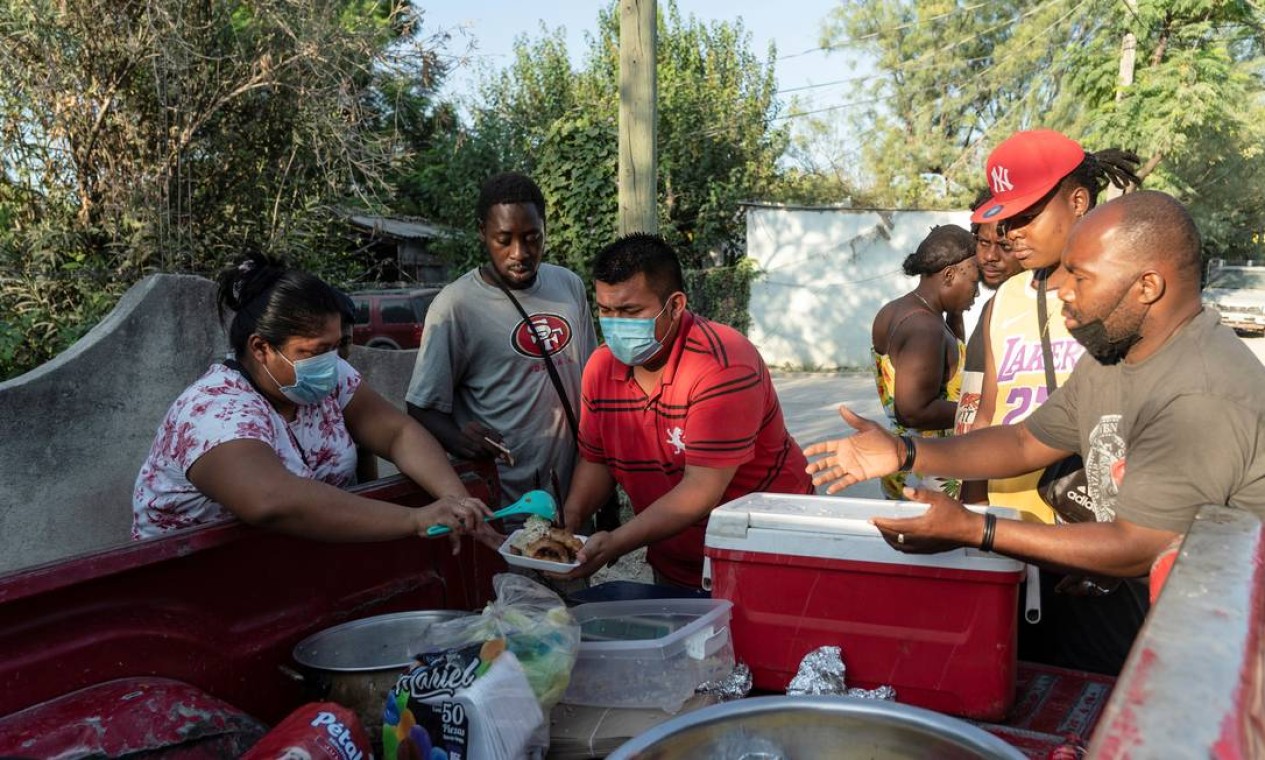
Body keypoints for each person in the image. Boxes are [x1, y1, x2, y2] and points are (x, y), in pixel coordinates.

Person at [804, 191, 1265, 673]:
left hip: (1211, 649)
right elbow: (1024, 441)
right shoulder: (1114, 355)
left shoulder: (1202, 391)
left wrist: (974, 529)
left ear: (1147, 285)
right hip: (1140, 606)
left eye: (1081, 277)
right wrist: (905, 452)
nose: (1063, 290)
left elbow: (1138, 545)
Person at [133, 254, 498, 549]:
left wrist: (456, 501)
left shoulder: (329, 379)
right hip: (191, 585)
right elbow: (270, 499)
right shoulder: (214, 410)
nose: (332, 361)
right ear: (261, 348)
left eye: (335, 346)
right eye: (315, 351)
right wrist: (414, 519)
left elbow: (396, 433)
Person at [560, 233, 814, 589]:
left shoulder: (722, 364)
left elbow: (701, 490)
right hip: (675, 559)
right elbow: (596, 460)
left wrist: (615, 542)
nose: (616, 324)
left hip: (765, 555)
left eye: (631, 311)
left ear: (676, 305)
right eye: (606, 310)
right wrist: (568, 525)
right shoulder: (601, 369)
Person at [974, 130, 1140, 523]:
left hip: (1098, 525)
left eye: (1026, 215)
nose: (1011, 232)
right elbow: (986, 415)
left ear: (1078, 201)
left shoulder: (1127, 297)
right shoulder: (1003, 299)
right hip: (1010, 521)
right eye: (1007, 219)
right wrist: (975, 510)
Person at [406, 172, 597, 509]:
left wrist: (600, 488)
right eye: (504, 239)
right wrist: (460, 440)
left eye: (531, 237)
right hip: (505, 502)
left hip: (573, 498)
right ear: (482, 232)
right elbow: (421, 406)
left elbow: (592, 386)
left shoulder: (569, 287)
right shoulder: (456, 306)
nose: (519, 252)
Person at [871, 224, 979, 500]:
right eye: (974, 282)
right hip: (929, 472)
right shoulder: (924, 329)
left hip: (907, 463)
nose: (976, 294)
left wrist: (955, 311)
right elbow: (913, 411)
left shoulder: (900, 309)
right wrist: (981, 414)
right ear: (949, 274)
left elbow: (954, 355)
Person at [955, 196, 1025, 503]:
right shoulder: (996, 306)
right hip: (983, 473)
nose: (990, 256)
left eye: (1004, 246)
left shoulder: (1020, 308)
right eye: (982, 243)